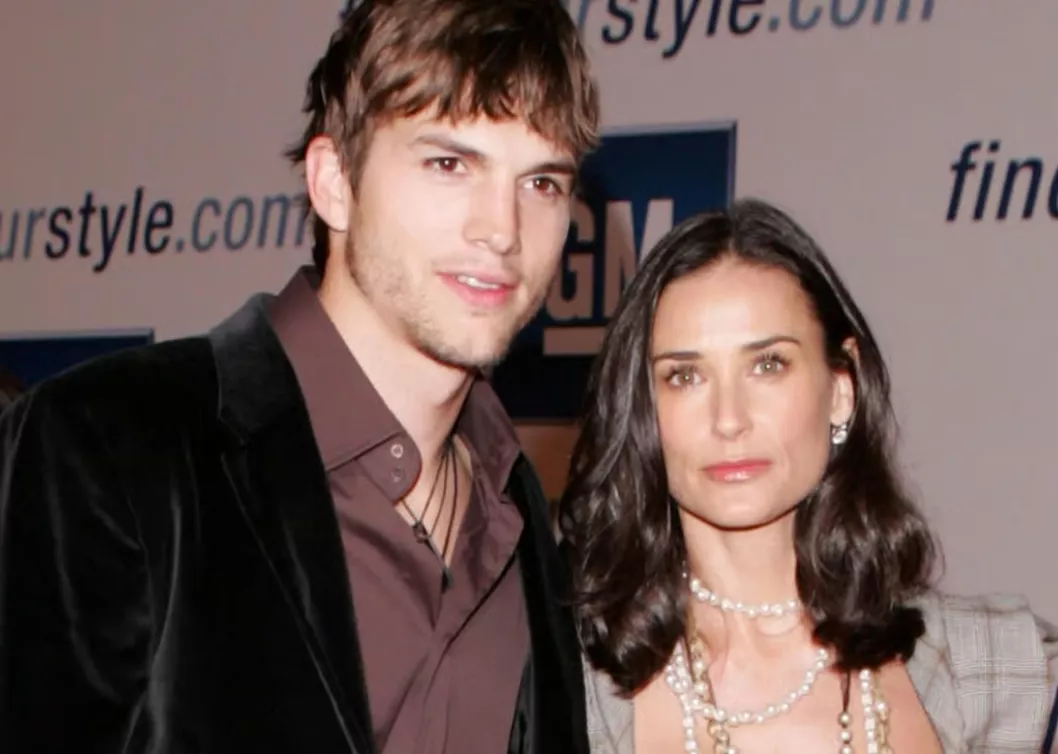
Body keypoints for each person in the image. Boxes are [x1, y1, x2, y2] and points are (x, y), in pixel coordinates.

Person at [0, 1, 599, 752]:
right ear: (334, 181)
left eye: (541, 183)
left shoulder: (520, 514)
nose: (502, 229)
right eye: (450, 164)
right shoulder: (104, 446)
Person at [557, 197, 1058, 753]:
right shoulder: (568, 687)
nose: (729, 419)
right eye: (684, 376)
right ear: (641, 409)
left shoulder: (999, 672)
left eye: (768, 364)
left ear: (841, 389)